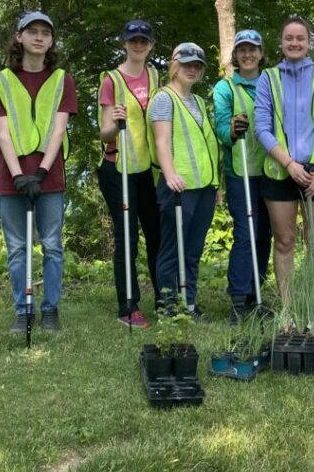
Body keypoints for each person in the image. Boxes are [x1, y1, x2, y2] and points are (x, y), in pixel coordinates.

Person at [0, 11, 77, 333]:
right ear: (19, 37)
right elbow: (3, 132)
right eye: (33, 32)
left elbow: (58, 130)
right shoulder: (1, 81)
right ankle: (23, 310)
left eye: (46, 32)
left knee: (52, 246)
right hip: (11, 178)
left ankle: (50, 309)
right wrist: (17, 176)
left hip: (49, 178)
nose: (39, 37)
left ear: (51, 41)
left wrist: (40, 173)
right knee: (17, 249)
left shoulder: (62, 80)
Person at [253, 15, 314, 304]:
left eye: (300, 38)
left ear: (309, 42)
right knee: (285, 241)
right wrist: (289, 163)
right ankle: (289, 308)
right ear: (281, 43)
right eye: (289, 38)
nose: (294, 43)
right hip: (280, 172)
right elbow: (262, 128)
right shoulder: (268, 78)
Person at [97, 19, 161, 329]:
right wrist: (116, 120)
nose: (138, 45)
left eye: (144, 41)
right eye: (133, 40)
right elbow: (104, 132)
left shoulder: (154, 75)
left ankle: (165, 297)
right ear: (124, 43)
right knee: (127, 238)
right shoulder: (111, 79)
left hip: (146, 169)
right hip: (117, 169)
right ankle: (128, 305)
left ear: (150, 45)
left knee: (157, 234)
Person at [148, 42, 219, 315]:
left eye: (197, 65)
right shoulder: (164, 98)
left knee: (192, 249)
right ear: (174, 65)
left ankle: (188, 302)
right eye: (187, 63)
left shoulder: (199, 101)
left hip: (203, 187)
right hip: (178, 186)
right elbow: (162, 141)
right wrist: (170, 174)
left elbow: (206, 144)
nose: (192, 69)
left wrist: (215, 184)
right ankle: (167, 305)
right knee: (171, 248)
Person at [212, 29, 273, 323]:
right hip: (241, 173)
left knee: (264, 235)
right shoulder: (225, 89)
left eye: (253, 49)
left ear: (261, 53)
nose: (248, 54)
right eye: (242, 50)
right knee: (245, 234)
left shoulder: (272, 84)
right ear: (235, 55)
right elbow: (221, 131)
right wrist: (233, 131)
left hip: (272, 170)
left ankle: (255, 294)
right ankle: (238, 299)